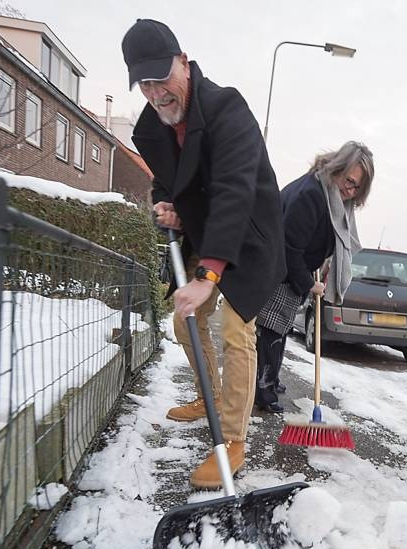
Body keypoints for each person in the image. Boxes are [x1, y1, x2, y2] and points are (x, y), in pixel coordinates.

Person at [122, 19, 285, 489]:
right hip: (204, 231)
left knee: (236, 330)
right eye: (145, 84)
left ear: (185, 63)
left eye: (163, 77)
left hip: (248, 234)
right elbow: (166, 180)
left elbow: (235, 190)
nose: (157, 93)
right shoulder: (151, 126)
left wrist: (208, 274)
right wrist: (167, 204)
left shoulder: (227, 107)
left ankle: (232, 438)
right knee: (183, 321)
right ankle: (207, 397)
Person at [254, 141, 375, 412]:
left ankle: (270, 379)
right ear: (338, 167)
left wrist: (325, 261)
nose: (350, 189)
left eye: (357, 187)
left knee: (280, 329)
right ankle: (264, 392)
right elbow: (289, 248)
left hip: (290, 269)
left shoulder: (328, 195)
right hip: (278, 271)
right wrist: (310, 285)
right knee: (271, 331)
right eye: (348, 180)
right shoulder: (311, 194)